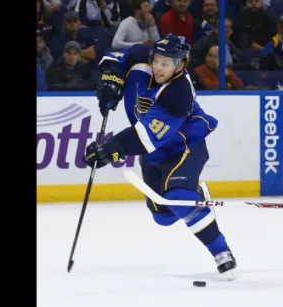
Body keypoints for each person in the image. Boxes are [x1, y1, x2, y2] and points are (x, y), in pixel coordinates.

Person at [81, 34, 237, 280]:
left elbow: (146, 136)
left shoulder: (179, 92)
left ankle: (221, 251)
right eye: (157, 60)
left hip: (184, 145)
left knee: (178, 198)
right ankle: (193, 195)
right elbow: (112, 57)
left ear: (180, 64)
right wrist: (110, 79)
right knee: (162, 217)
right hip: (152, 151)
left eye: (167, 63)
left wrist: (110, 150)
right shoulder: (139, 56)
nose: (158, 67)